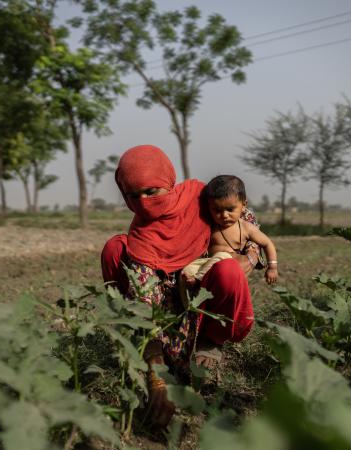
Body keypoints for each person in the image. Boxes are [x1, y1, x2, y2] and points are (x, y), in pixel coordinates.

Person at [101, 145, 261, 427]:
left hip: (203, 298)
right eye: (133, 195)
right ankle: (158, 356)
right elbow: (144, 309)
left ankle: (213, 340)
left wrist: (252, 255)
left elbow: (245, 219)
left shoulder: (199, 197)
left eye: (152, 191)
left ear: (168, 182)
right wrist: (157, 379)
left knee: (227, 270)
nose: (144, 201)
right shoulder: (140, 241)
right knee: (114, 248)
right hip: (167, 312)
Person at [181, 175, 278, 286]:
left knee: (223, 256)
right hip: (207, 264)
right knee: (187, 270)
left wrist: (272, 267)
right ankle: (189, 302)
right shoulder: (210, 225)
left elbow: (267, 243)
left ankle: (198, 280)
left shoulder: (246, 227)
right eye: (217, 210)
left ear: (243, 205)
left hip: (229, 268)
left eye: (230, 209)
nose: (224, 215)